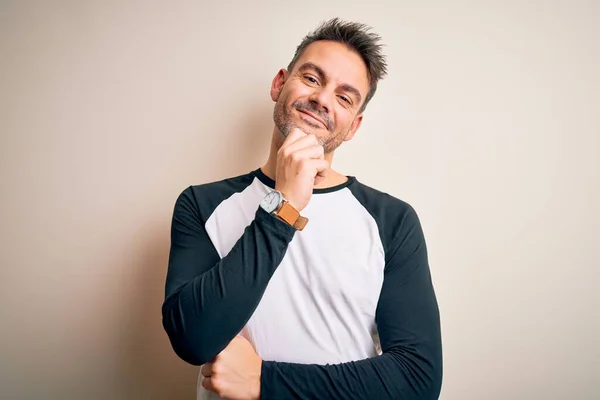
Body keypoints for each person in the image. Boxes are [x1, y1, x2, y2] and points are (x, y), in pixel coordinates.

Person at [162, 18, 443, 400]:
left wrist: (265, 381)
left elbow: (417, 379)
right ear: (280, 83)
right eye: (312, 78)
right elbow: (192, 338)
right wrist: (286, 204)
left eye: (344, 97)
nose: (323, 99)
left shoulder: (392, 220)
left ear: (354, 125)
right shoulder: (202, 204)